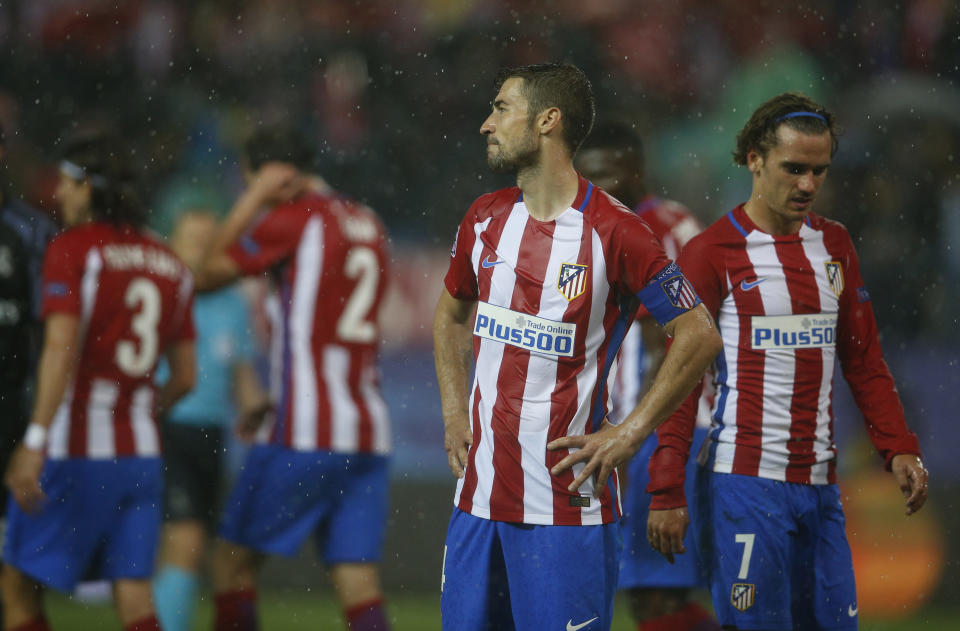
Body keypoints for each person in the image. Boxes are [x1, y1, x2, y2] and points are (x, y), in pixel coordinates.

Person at [433, 62, 722, 631]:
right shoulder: (485, 219)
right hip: (476, 502)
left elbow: (699, 333)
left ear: (547, 120)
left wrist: (630, 430)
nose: (486, 125)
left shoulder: (618, 232)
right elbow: (449, 316)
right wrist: (451, 406)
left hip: (565, 507)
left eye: (501, 108)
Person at [645, 93, 930, 631]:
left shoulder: (836, 246)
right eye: (794, 168)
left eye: (819, 171)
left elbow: (863, 359)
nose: (807, 185)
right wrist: (666, 490)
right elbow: (679, 381)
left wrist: (898, 447)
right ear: (754, 158)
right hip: (743, 486)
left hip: (821, 487)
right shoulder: (711, 253)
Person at [195, 125, 393, 631]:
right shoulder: (366, 220)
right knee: (357, 579)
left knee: (231, 562)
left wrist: (254, 198)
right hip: (367, 429)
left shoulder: (296, 218)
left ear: (272, 175)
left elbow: (203, 274)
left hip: (308, 429)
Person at [1, 131, 196, 631]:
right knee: (133, 595)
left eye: (66, 183)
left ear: (88, 187)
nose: (59, 194)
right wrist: (140, 412)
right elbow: (186, 377)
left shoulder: (73, 250)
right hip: (142, 457)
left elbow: (60, 350)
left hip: (76, 449)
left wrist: (36, 441)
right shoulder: (167, 260)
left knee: (15, 585)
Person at [575, 121, 719, 631]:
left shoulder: (664, 229)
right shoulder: (605, 224)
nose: (595, 188)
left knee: (655, 594)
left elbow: (676, 340)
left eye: (605, 176)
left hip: (665, 431)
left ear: (636, 171)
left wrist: (637, 426)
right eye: (585, 176)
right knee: (655, 595)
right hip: (642, 432)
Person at [152, 209, 269, 631]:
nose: (202, 249)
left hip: (212, 434)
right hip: (170, 427)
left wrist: (255, 403)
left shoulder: (232, 300)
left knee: (200, 547)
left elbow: (240, 368)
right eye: (192, 240)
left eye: (209, 240)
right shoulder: (162, 294)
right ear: (170, 245)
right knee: (186, 542)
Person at [0, 122, 59, 623]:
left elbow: (53, 339)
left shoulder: (32, 230)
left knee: (17, 571)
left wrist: (38, 431)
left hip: (11, 415)